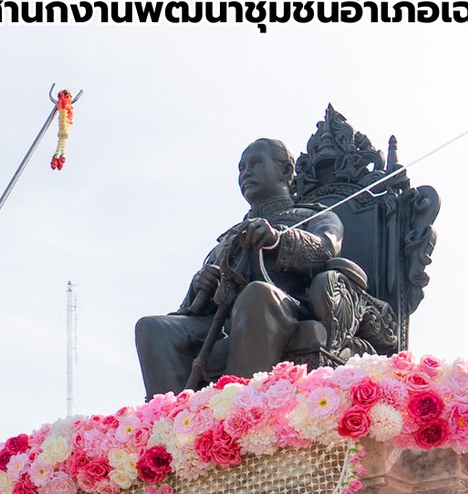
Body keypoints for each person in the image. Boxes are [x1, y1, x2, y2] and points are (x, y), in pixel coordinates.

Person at [133, 138, 369, 398]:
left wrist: (278, 240)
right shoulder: (228, 237)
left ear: (286, 171)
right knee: (152, 328)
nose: (246, 173)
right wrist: (202, 285)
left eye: (255, 163)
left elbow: (326, 246)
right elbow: (194, 306)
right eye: (241, 167)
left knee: (257, 293)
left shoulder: (315, 216)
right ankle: (169, 425)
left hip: (289, 308)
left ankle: (239, 409)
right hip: (225, 319)